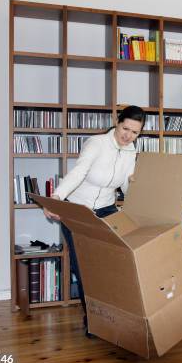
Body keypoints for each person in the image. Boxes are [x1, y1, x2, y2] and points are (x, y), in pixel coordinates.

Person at [43, 105, 145, 336]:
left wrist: (139, 188)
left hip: (107, 209)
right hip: (79, 210)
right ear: (117, 122)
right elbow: (78, 173)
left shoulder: (131, 150)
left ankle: (114, 317)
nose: (128, 136)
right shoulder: (96, 143)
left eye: (135, 132)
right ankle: (94, 321)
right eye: (125, 128)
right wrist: (56, 197)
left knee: (113, 265)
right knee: (86, 268)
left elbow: (126, 187)